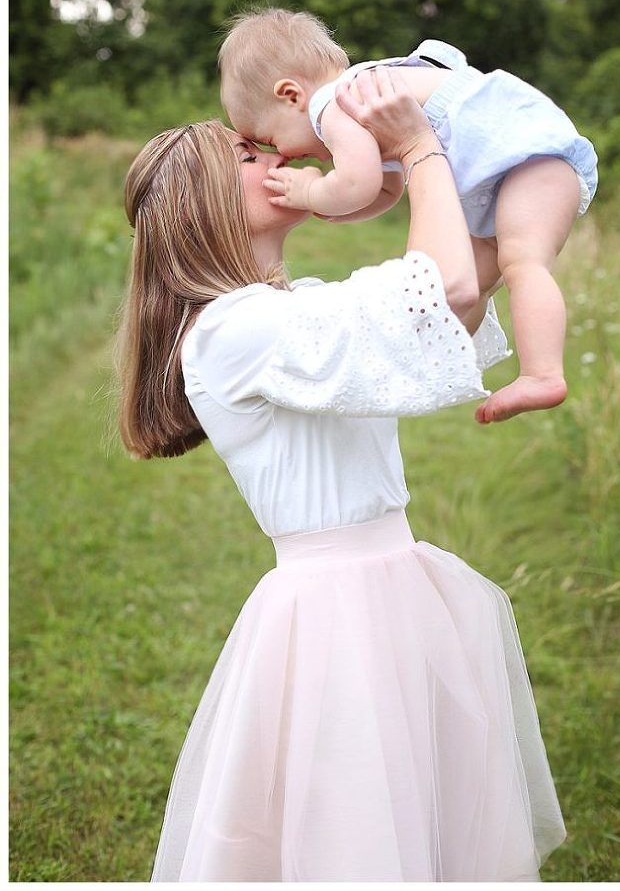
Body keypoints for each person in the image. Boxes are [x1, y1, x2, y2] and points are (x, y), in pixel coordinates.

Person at [116, 67, 566, 882]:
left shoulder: (291, 306)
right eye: (248, 156)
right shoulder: (231, 332)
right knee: (354, 828)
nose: (277, 156)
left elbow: (459, 292)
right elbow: (446, 285)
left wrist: (516, 166)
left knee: (421, 812)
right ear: (208, 202)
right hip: (334, 614)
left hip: (399, 583)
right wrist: (418, 147)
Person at [219, 6, 599, 425]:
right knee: (472, 278)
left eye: (270, 139)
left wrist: (312, 191)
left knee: (523, 261)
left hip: (527, 158)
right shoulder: (365, 98)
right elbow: (385, 188)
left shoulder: (334, 103)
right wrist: (337, 209)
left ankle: (541, 373)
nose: (284, 154)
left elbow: (359, 183)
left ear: (291, 95)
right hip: (507, 171)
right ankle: (431, 362)